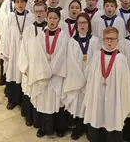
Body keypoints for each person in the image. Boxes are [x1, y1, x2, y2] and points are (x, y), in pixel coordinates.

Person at [18, 8, 84, 138]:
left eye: (55, 18)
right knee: (44, 102)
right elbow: (37, 56)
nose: (52, 20)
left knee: (57, 103)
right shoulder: (41, 36)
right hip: (43, 76)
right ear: (47, 18)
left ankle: (60, 128)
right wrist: (45, 71)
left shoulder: (64, 36)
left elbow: (65, 56)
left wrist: (53, 70)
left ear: (59, 20)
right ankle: (43, 128)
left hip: (57, 76)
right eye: (50, 18)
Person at [83, 27, 130, 142]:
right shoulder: (97, 56)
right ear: (103, 40)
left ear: (117, 41)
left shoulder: (121, 58)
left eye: (112, 39)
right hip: (98, 93)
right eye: (107, 39)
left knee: (113, 114)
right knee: (98, 113)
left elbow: (125, 82)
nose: (109, 42)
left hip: (114, 95)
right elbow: (90, 76)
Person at [67, 13, 101, 140]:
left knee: (88, 103)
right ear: (76, 25)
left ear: (89, 25)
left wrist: (87, 75)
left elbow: (97, 59)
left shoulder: (95, 41)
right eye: (80, 23)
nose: (82, 25)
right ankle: (78, 128)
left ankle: (88, 128)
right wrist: (80, 77)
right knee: (78, 103)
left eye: (84, 23)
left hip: (90, 79)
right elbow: (70, 60)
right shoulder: (71, 41)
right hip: (76, 78)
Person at [0, 0, 33, 110]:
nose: (20, 5)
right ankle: (12, 100)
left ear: (26, 3)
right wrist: (6, 52)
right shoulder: (10, 17)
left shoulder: (30, 17)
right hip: (13, 50)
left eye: (22, 2)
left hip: (26, 51)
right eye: (17, 2)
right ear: (14, 3)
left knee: (23, 74)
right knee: (13, 73)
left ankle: (23, 101)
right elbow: (5, 36)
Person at [20, 2, 48, 126]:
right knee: (30, 91)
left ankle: (40, 120)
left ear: (46, 13)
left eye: (41, 11)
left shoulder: (50, 30)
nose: (39, 14)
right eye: (37, 11)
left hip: (44, 70)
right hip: (31, 68)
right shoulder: (28, 29)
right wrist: (25, 67)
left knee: (43, 94)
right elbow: (24, 49)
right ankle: (30, 117)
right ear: (34, 13)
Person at [0, 0, 23, 86]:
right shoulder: (5, 4)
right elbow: (2, 20)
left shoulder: (24, 2)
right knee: (10, 65)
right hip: (9, 39)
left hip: (21, 40)